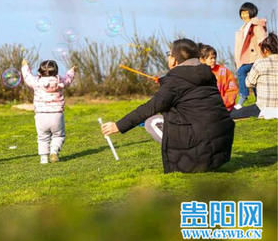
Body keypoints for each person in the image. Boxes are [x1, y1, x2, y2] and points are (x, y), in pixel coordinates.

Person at [101, 38, 235, 173]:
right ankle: (203, 161)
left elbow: (150, 108)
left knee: (151, 122)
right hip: (222, 146)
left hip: (199, 147)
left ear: (174, 60)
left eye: (169, 54)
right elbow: (188, 95)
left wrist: (118, 125)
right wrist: (165, 82)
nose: (168, 57)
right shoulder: (208, 74)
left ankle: (188, 161)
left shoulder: (174, 82)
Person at [21, 59, 75, 164]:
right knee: (58, 136)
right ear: (56, 71)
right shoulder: (59, 82)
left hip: (41, 115)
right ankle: (54, 152)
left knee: (42, 138)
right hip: (56, 115)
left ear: (39, 72)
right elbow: (68, 79)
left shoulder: (36, 82)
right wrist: (72, 71)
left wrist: (25, 66)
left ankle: (44, 159)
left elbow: (27, 77)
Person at [231, 33, 278, 120]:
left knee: (232, 114)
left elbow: (248, 83)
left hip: (262, 108)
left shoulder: (260, 63)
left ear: (266, 50)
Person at [234, 2, 267, 109]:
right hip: (249, 58)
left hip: (257, 58)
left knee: (241, 72)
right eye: (242, 13)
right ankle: (259, 101)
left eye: (246, 13)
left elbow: (262, 40)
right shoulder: (244, 27)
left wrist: (264, 57)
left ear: (251, 12)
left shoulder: (256, 26)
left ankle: (244, 95)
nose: (243, 15)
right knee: (254, 79)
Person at [198, 43, 238, 111]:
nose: (213, 60)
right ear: (203, 59)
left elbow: (232, 89)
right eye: (211, 58)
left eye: (214, 58)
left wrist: (222, 103)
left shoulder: (224, 71)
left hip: (225, 108)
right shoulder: (198, 73)